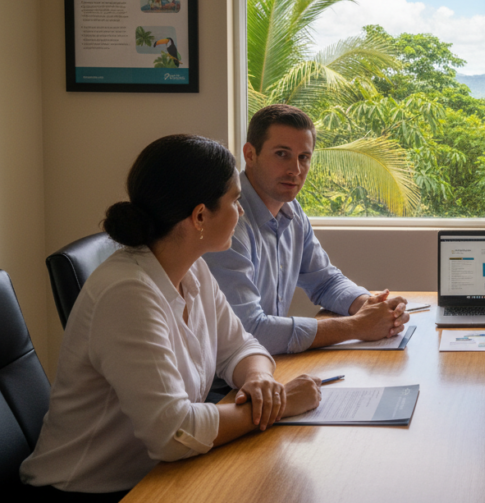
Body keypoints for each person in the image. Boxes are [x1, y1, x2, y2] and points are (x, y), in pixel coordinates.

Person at [21, 135, 322, 500]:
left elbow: (240, 345)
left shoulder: (191, 270)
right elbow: (173, 434)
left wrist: (259, 380)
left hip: (159, 475)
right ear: (199, 217)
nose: (241, 212)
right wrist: (281, 404)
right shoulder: (128, 293)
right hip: (90, 490)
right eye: (235, 201)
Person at [204, 104, 409, 355]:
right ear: (250, 154)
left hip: (267, 366)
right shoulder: (228, 221)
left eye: (304, 157)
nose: (296, 170)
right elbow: (249, 330)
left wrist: (372, 307)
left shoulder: (292, 211)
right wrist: (356, 326)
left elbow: (324, 281)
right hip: (224, 382)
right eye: (282, 154)